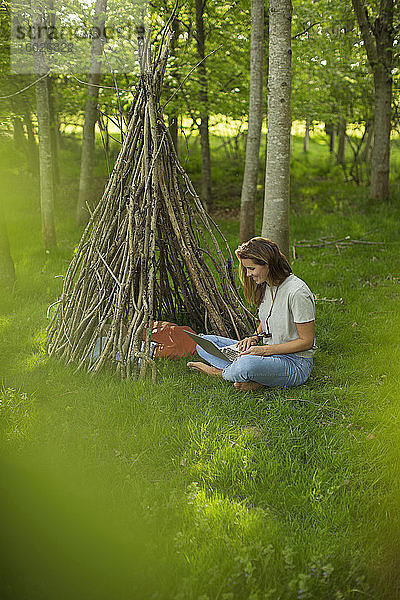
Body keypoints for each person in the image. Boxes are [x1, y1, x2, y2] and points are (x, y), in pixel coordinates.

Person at [187, 237, 316, 392]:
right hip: (270, 356)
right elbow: (269, 319)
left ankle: (221, 373)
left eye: (251, 268)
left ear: (268, 264)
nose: (248, 274)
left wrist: (264, 351)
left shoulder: (297, 292)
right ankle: (256, 377)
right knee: (203, 343)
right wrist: (254, 337)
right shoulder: (267, 285)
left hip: (296, 363)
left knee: (245, 364)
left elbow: (307, 342)